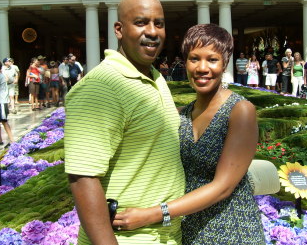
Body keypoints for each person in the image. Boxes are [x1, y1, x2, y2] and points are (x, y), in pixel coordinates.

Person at [113, 23, 265, 245]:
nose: (202, 68)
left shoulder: (240, 111)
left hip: (233, 229)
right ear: (185, 62)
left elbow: (223, 187)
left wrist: (152, 214)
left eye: (212, 59)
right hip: (191, 230)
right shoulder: (182, 115)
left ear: (224, 63)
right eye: (194, 59)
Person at [64, 0, 185, 245]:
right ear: (119, 29)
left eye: (159, 23)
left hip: (165, 235)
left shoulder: (155, 76)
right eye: (141, 22)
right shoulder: (101, 87)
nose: (152, 31)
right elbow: (83, 177)